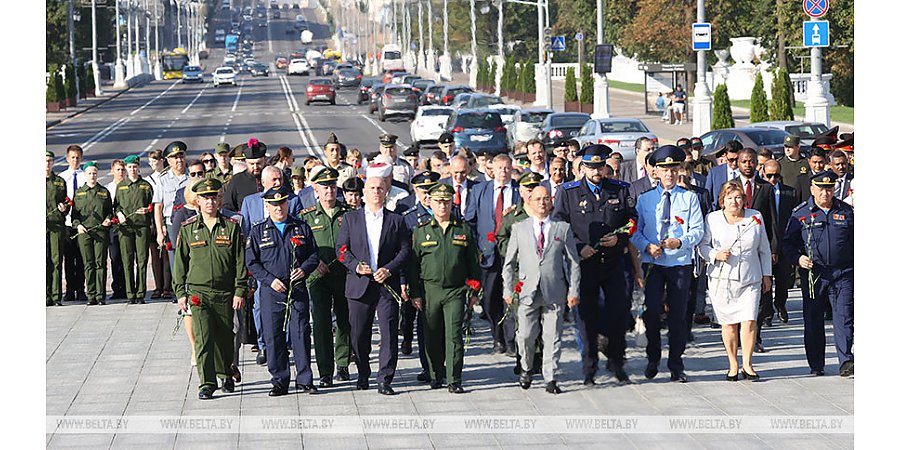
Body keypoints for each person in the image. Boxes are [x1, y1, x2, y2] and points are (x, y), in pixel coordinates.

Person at [553, 144, 635, 384]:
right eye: (590, 167)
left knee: (618, 314)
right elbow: (560, 224)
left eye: (599, 166)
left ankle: (617, 363)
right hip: (584, 264)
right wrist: (578, 246)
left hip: (613, 262)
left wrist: (619, 238)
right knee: (586, 317)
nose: (596, 171)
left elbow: (632, 219)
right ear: (582, 167)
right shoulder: (568, 192)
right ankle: (589, 368)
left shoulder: (620, 189)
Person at [335, 163, 412, 395]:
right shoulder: (350, 219)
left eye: (380, 188)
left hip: (386, 285)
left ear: (386, 192)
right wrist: (356, 266)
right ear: (364, 193)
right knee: (359, 334)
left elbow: (405, 250)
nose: (376, 192)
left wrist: (389, 269)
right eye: (372, 188)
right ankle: (363, 372)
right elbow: (341, 249)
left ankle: (385, 378)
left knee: (388, 332)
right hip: (359, 284)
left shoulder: (396, 221)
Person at [631, 145, 704, 382]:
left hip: (679, 263)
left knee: (678, 315)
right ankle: (653, 357)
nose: (669, 174)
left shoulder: (690, 197)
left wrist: (680, 242)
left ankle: (676, 363)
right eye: (664, 170)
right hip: (653, 262)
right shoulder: (645, 199)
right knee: (652, 311)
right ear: (656, 172)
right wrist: (646, 246)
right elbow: (635, 231)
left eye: (673, 169)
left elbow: (697, 231)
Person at [173, 178, 248, 400]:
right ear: (197, 201)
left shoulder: (232, 227)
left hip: (225, 292)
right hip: (199, 293)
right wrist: (180, 293)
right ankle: (207, 382)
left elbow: (239, 262)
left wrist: (239, 290)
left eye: (214, 197)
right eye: (205, 198)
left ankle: (226, 372)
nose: (210, 202)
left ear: (220, 200)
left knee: (226, 337)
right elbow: (180, 264)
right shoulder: (188, 229)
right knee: (204, 338)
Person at [245, 185, 320, 396]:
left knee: (301, 333)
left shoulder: (300, 227)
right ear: (266, 206)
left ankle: (305, 379)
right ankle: (279, 380)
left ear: (287, 203)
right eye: (274, 204)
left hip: (296, 289)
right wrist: (269, 280)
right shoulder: (258, 231)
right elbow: (252, 262)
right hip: (272, 291)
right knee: (273, 336)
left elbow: (313, 255)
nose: (279, 208)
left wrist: (304, 270)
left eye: (282, 203)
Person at [504, 186, 580, 393]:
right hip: (527, 290)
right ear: (529, 201)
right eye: (538, 199)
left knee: (552, 336)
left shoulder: (562, 228)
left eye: (546, 199)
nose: (542, 203)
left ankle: (550, 377)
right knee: (526, 335)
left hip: (554, 289)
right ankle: (527, 368)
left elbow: (573, 262)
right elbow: (509, 263)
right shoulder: (520, 228)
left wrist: (573, 290)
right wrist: (508, 290)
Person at [407, 183, 480, 393]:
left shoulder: (462, 229)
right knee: (431, 334)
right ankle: (435, 373)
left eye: (447, 202)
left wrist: (474, 291)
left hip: (455, 290)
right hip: (430, 290)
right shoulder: (421, 232)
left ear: (452, 203)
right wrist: (416, 293)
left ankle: (454, 378)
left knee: (454, 335)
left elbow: (473, 264)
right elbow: (414, 266)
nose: (442, 206)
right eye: (438, 202)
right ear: (430, 202)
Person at [699, 181, 773, 381]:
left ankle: (748, 364)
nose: (734, 201)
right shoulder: (712, 219)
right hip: (722, 280)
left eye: (738, 197)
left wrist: (767, 275)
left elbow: (764, 249)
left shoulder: (755, 217)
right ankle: (733, 363)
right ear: (723, 200)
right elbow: (703, 246)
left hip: (750, 278)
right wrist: (715, 254)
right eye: (730, 197)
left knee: (750, 320)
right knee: (729, 324)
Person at [783, 171, 854, 377]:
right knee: (813, 319)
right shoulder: (801, 213)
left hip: (842, 273)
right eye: (821, 189)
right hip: (814, 275)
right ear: (812, 189)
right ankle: (816, 363)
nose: (826, 193)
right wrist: (798, 259)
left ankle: (846, 361)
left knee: (844, 317)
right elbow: (788, 244)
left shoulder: (846, 211)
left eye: (829, 188)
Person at [240, 166, 303, 365]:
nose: (278, 182)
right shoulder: (250, 202)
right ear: (264, 182)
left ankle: (285, 344)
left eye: (280, 179)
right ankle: (264, 345)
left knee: (289, 308)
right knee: (260, 307)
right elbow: (246, 233)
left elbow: (300, 232)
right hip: (263, 267)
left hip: (287, 265)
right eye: (274, 179)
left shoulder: (292, 201)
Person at [300, 167, 354, 387]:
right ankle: (325, 371)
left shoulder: (348, 213)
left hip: (344, 275)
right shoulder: (307, 216)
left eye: (332, 186)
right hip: (318, 277)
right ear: (316, 190)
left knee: (344, 320)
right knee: (321, 324)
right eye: (325, 187)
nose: (329, 191)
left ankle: (342, 364)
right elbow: (302, 246)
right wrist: (314, 263)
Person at [465, 154, 521, 356]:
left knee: (512, 297)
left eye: (507, 168)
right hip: (487, 253)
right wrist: (475, 249)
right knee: (490, 298)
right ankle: (497, 336)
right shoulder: (480, 190)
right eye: (500, 169)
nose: (504, 172)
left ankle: (511, 339)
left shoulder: (518, 190)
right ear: (492, 170)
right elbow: (470, 221)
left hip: (512, 254)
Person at [400, 171, 442, 382]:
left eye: (432, 190)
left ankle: (442, 365)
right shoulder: (408, 216)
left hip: (444, 279)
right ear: (415, 191)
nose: (428, 195)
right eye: (424, 191)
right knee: (424, 325)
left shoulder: (449, 212)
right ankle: (429, 368)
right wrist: (403, 281)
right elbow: (404, 253)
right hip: (419, 278)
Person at [760, 160, 799, 325]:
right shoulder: (760, 191)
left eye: (776, 175)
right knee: (766, 279)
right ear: (763, 173)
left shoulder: (789, 192)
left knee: (783, 279)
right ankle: (767, 312)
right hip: (764, 242)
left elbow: (795, 217)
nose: (773, 179)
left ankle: (780, 305)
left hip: (784, 242)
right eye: (769, 175)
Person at [71, 162, 113, 306]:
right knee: (88, 264)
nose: (92, 176)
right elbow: (74, 215)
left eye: (94, 173)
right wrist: (78, 226)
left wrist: (108, 219)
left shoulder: (104, 192)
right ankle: (91, 294)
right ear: (85, 175)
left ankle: (100, 295)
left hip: (100, 231)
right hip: (85, 232)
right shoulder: (79, 193)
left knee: (100, 263)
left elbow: (109, 210)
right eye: (89, 173)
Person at [114, 155, 155, 304]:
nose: (132, 170)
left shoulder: (145, 185)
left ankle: (140, 293)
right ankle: (130, 293)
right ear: (126, 168)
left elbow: (153, 204)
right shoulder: (121, 186)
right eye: (130, 167)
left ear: (138, 167)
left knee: (142, 260)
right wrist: (119, 214)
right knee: (127, 260)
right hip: (125, 228)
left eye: (135, 167)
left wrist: (147, 210)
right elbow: (116, 205)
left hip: (142, 226)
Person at [153, 141, 189, 302]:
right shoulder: (163, 180)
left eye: (181, 156)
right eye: (174, 157)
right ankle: (179, 291)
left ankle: (191, 287)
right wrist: (160, 231)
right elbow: (158, 207)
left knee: (192, 255)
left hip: (190, 222)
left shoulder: (192, 176)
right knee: (175, 259)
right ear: (168, 160)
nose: (179, 160)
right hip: (171, 223)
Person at [59, 145, 87, 302]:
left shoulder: (85, 176)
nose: (75, 160)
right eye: (72, 157)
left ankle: (81, 289)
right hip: (67, 223)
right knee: (68, 259)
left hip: (82, 224)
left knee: (81, 258)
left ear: (81, 159)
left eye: (78, 157)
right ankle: (70, 289)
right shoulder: (62, 178)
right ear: (67, 158)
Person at [146, 150, 172, 300]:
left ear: (163, 160)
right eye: (151, 161)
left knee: (167, 254)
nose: (154, 163)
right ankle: (158, 286)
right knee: (155, 255)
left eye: (156, 160)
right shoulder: (148, 180)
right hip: (152, 222)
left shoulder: (167, 177)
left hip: (166, 220)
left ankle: (167, 286)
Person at [46, 150, 70, 307]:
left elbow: (66, 202)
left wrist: (64, 208)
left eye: (50, 161)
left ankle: (55, 295)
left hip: (56, 225)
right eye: (45, 161)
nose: (47, 164)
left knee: (56, 260)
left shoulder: (60, 182)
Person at [222, 138, 268, 212]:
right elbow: (228, 207)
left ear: (265, 160)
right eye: (251, 164)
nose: (255, 167)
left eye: (259, 163)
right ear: (246, 162)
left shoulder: (276, 176)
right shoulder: (237, 180)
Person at [106, 160, 128, 301]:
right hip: (113, 226)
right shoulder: (108, 188)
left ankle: (128, 287)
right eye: (118, 170)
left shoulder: (128, 186)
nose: (120, 172)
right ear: (112, 171)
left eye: (122, 170)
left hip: (126, 226)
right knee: (115, 258)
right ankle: (117, 288)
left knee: (127, 257)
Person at [705, 140, 743, 207]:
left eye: (737, 159)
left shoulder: (750, 173)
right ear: (725, 156)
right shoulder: (714, 173)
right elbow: (707, 198)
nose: (734, 163)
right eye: (731, 160)